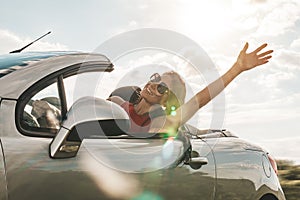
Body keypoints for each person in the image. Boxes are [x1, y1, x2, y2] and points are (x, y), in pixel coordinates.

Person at [109, 42, 273, 135]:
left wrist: (237, 68)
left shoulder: (163, 123)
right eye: (156, 78)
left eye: (162, 87)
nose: (153, 85)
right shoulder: (116, 103)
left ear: (168, 101)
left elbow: (199, 100)